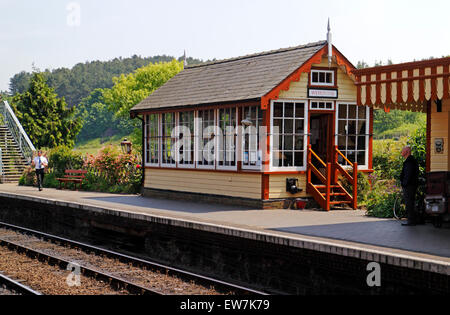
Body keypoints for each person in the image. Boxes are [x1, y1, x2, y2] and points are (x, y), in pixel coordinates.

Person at [399, 146, 419, 226]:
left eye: (402, 151)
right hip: (412, 185)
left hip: (409, 186)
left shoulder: (409, 162)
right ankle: (413, 220)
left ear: (406, 152)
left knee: (409, 203)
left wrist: (404, 184)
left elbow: (408, 174)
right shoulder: (411, 160)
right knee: (411, 202)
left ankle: (411, 221)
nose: (401, 152)